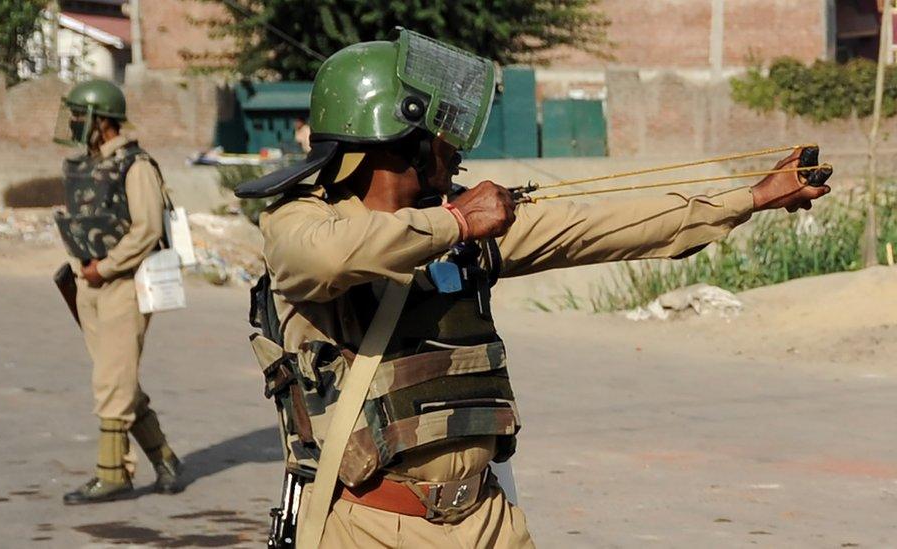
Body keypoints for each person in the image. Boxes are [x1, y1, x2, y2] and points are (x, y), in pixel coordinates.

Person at [238, 30, 831, 548]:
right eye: (438, 134)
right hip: (367, 526)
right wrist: (459, 223)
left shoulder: (455, 219)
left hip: (487, 519)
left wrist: (751, 197)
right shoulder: (301, 222)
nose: (455, 149)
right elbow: (321, 257)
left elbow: (602, 225)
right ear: (396, 141)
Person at [52, 79, 183, 504]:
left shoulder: (136, 165)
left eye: (79, 115)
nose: (73, 122)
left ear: (101, 121)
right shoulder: (87, 164)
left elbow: (147, 229)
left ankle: (113, 474)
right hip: (89, 283)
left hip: (126, 284)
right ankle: (165, 459)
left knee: (112, 379)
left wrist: (105, 267)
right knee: (118, 378)